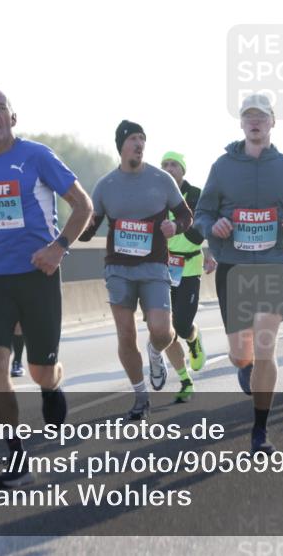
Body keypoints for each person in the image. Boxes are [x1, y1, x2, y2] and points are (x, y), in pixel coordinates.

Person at [0, 88, 92, 489]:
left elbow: (84, 206)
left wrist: (58, 248)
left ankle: (53, 384)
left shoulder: (36, 157)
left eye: (0, 110)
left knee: (40, 371)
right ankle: (16, 455)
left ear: (13, 119)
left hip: (37, 276)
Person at [194, 93, 283, 454]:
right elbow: (202, 212)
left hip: (273, 264)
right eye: (249, 116)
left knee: (266, 346)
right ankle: (243, 366)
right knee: (240, 354)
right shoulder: (222, 166)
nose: (254, 122)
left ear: (272, 122)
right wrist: (212, 224)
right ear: (241, 122)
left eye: (261, 117)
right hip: (231, 266)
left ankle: (260, 431)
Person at [79, 121, 195, 419]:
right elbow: (89, 228)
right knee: (125, 335)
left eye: (143, 139)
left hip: (155, 265)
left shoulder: (161, 179)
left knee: (162, 330)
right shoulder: (105, 185)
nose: (139, 144)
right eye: (133, 139)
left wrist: (175, 225)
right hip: (118, 269)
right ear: (121, 145)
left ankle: (156, 353)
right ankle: (141, 396)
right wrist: (70, 229)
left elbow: (185, 215)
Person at [160, 150, 210, 403]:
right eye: (165, 164)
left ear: (183, 170)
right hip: (159, 268)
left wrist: (180, 227)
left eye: (174, 165)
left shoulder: (196, 195)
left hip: (188, 268)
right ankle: (185, 379)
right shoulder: (156, 195)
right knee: (162, 329)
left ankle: (193, 338)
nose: (169, 168)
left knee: (181, 325)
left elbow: (199, 232)